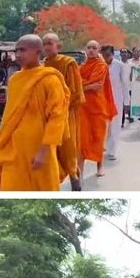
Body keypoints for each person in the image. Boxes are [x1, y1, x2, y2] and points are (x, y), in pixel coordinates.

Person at [0, 34, 68, 191]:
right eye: (16, 51)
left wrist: (44, 152)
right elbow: (9, 116)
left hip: (38, 150)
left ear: (38, 52)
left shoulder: (50, 79)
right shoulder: (15, 80)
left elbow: (57, 117)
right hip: (12, 150)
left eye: (23, 50)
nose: (18, 55)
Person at [43, 33, 85, 190]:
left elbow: (75, 91)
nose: (47, 47)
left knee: (68, 148)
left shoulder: (68, 63)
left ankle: (75, 179)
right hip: (49, 116)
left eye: (50, 43)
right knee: (51, 150)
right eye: (44, 43)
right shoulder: (42, 67)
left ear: (58, 46)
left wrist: (60, 107)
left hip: (67, 113)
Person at [79, 40, 117, 178]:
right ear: (85, 49)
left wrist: (81, 85)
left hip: (98, 108)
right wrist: (85, 86)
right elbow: (75, 81)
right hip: (83, 107)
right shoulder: (82, 66)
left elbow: (96, 84)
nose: (91, 50)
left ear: (98, 50)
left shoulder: (101, 65)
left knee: (98, 138)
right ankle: (80, 170)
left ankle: (99, 167)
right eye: (88, 47)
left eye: (94, 48)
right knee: (82, 139)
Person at [103, 45, 129, 161]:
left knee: (115, 125)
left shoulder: (120, 66)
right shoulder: (99, 65)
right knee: (104, 125)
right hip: (102, 100)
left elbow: (125, 84)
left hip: (116, 99)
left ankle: (112, 150)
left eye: (108, 55)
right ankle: (104, 147)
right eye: (103, 55)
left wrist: (126, 102)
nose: (105, 57)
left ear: (113, 54)